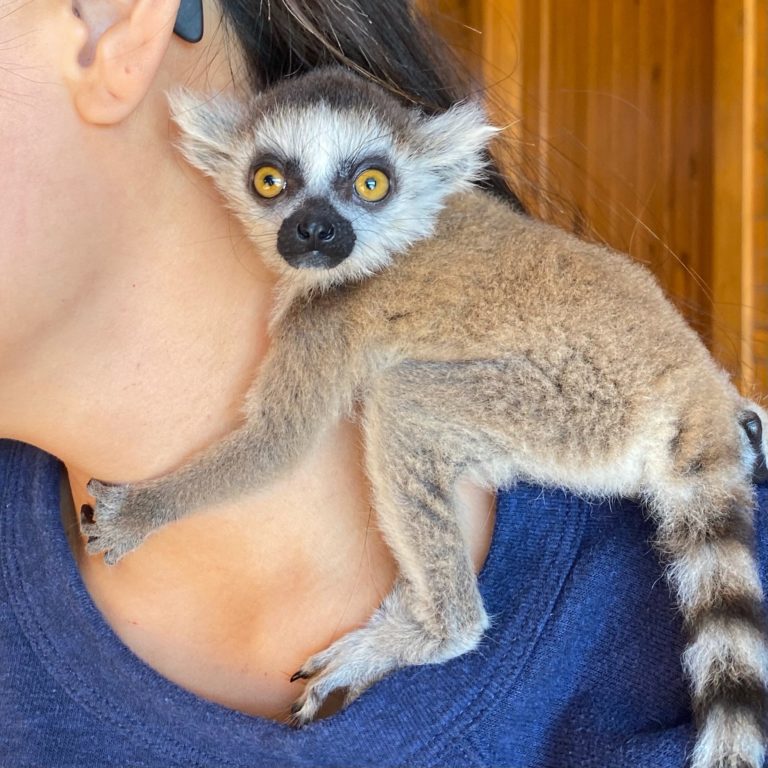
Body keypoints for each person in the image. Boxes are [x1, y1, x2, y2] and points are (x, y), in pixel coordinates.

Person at [0, 0, 765, 766]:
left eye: (365, 186)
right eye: (273, 180)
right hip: (641, 417)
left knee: (407, 405)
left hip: (635, 426)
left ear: (109, 19)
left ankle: (441, 618)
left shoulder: (378, 294)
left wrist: (146, 509)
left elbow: (275, 443)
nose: (313, 222)